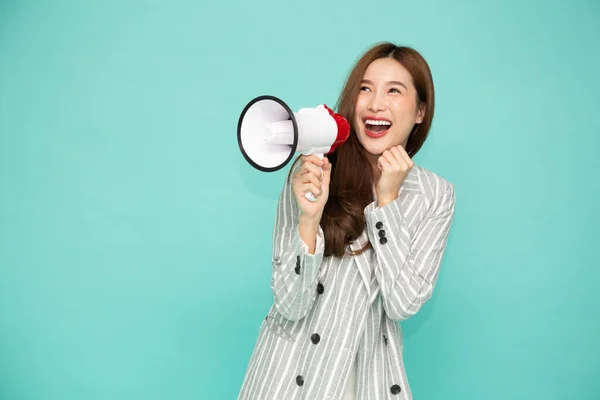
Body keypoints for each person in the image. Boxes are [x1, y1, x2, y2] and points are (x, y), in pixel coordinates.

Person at [237, 41, 456, 400]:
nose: (375, 104)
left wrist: (387, 202)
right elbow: (290, 305)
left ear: (420, 111)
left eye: (394, 91)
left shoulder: (435, 195)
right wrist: (309, 220)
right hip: (291, 375)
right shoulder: (314, 170)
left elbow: (403, 304)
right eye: (365, 89)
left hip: (367, 379)